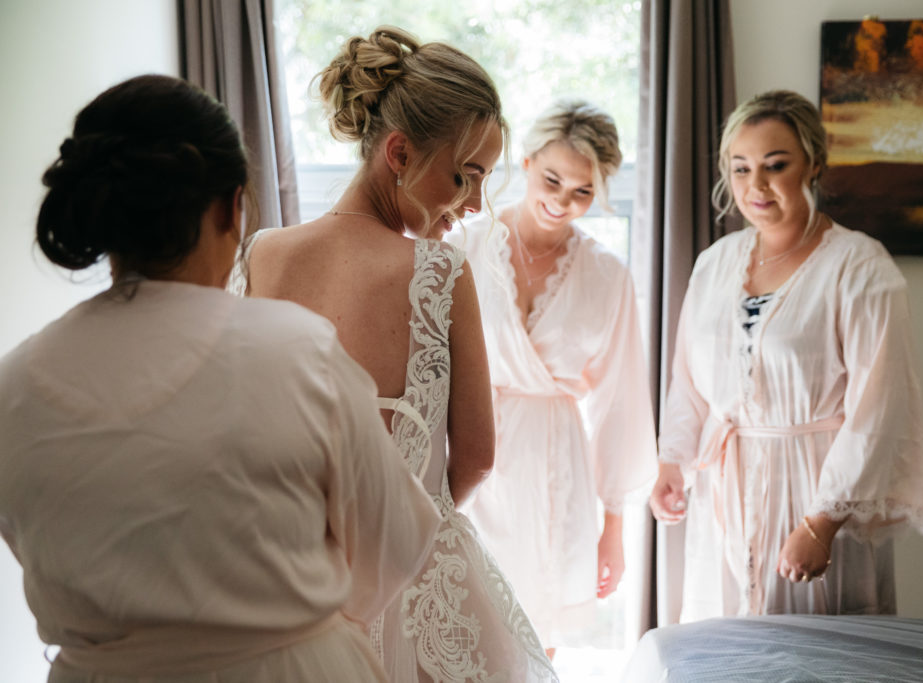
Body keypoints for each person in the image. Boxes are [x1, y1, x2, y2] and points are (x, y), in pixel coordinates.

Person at [0, 74, 441, 683]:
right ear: (230, 206)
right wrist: (290, 619)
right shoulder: (297, 351)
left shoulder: (13, 387)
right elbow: (394, 540)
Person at [237, 26, 557, 682]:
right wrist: (411, 528)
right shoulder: (441, 272)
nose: (474, 204)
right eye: (465, 176)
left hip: (286, 581)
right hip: (415, 584)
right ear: (400, 152)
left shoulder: (262, 254)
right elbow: (476, 457)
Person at [649, 90, 923, 621]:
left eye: (775, 166)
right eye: (741, 168)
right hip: (726, 489)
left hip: (816, 492)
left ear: (814, 164)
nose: (755, 185)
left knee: (821, 658)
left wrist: (820, 524)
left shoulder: (860, 266)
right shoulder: (715, 264)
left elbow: (880, 405)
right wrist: (672, 462)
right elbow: (687, 380)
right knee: (729, 652)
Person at [449, 100, 658, 654]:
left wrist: (612, 529)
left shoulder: (607, 276)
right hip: (471, 452)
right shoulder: (462, 248)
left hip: (556, 468)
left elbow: (620, 405)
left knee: (537, 641)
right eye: (552, 179)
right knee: (465, 629)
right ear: (524, 161)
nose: (563, 202)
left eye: (583, 191)